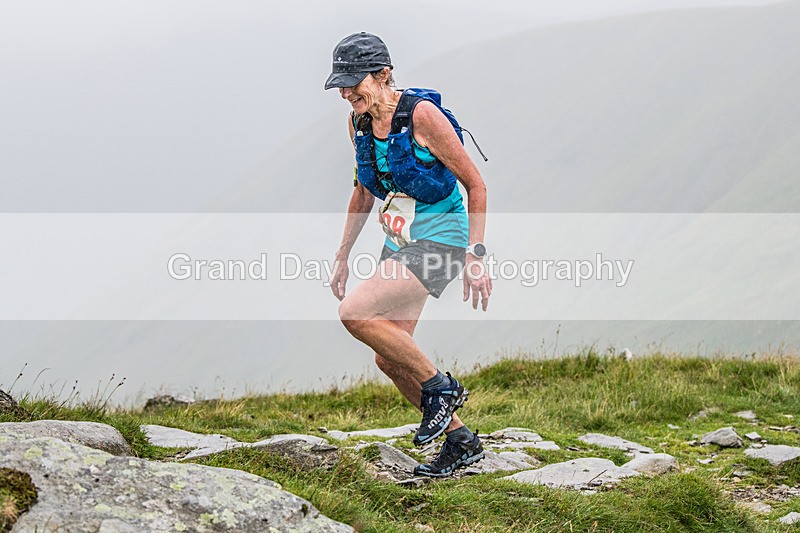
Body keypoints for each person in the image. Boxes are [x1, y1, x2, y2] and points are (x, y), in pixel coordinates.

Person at [325, 32, 492, 477]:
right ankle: (461, 441)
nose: (345, 92)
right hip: (400, 239)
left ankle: (441, 387)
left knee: (354, 312)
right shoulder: (358, 122)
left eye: (352, 82)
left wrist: (476, 255)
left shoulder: (422, 116)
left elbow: (476, 184)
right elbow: (363, 190)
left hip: (444, 238)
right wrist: (342, 254)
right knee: (389, 357)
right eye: (339, 83)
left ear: (382, 75)